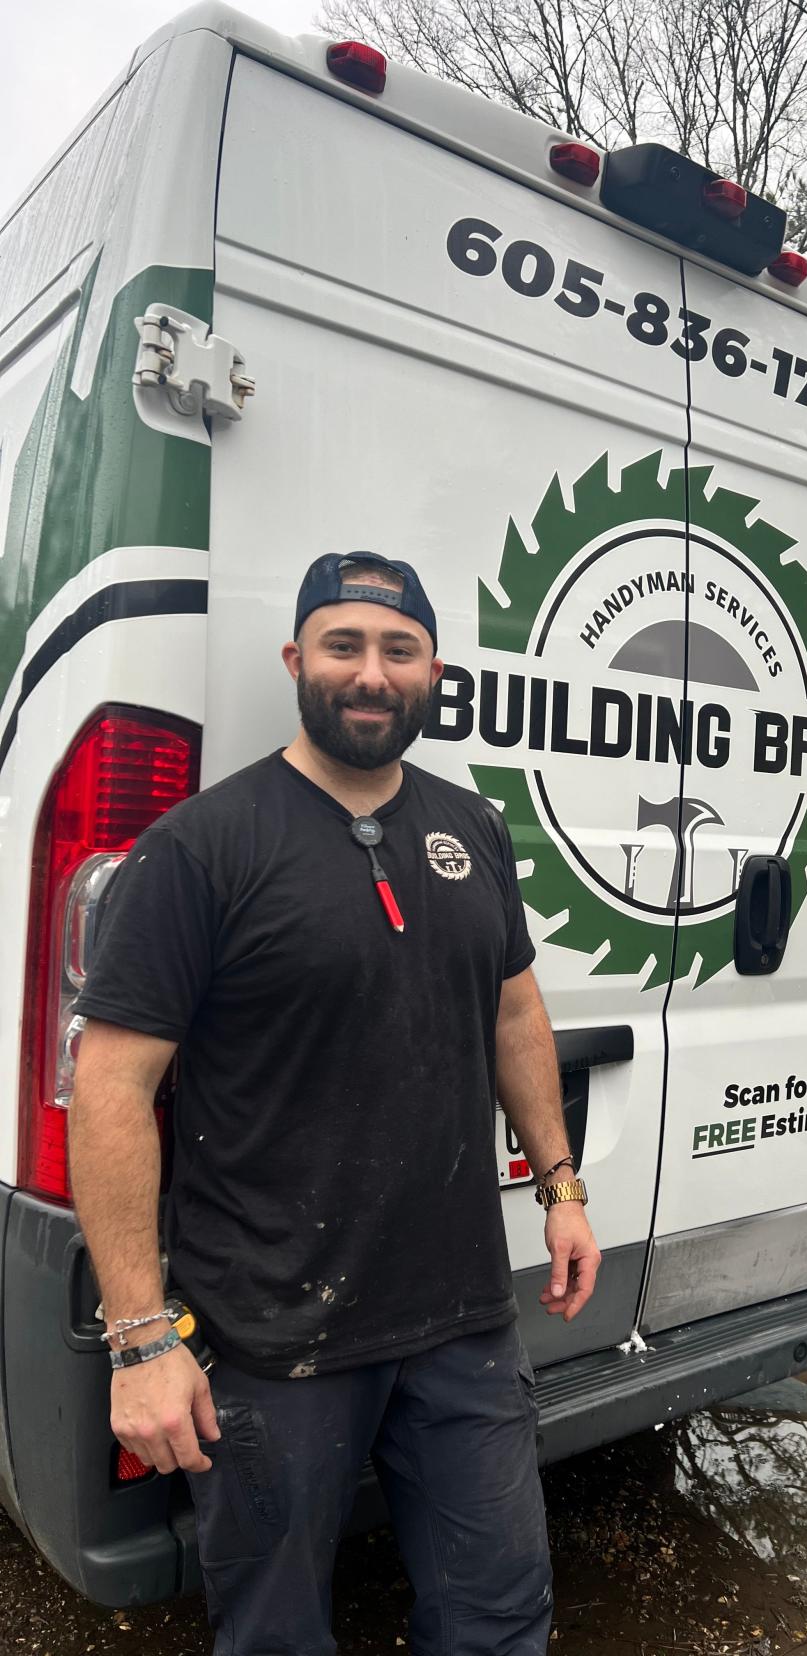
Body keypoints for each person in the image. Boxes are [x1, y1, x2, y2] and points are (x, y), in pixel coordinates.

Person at [69, 551, 600, 1655]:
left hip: (460, 1321)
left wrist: (561, 1185)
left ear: (434, 671)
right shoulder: (204, 848)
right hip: (270, 1336)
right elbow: (113, 1085)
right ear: (296, 659)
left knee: (500, 1616)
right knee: (273, 1634)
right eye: (344, 645)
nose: (372, 674)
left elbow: (514, 1018)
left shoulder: (474, 829)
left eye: (398, 650)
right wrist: (138, 1340)